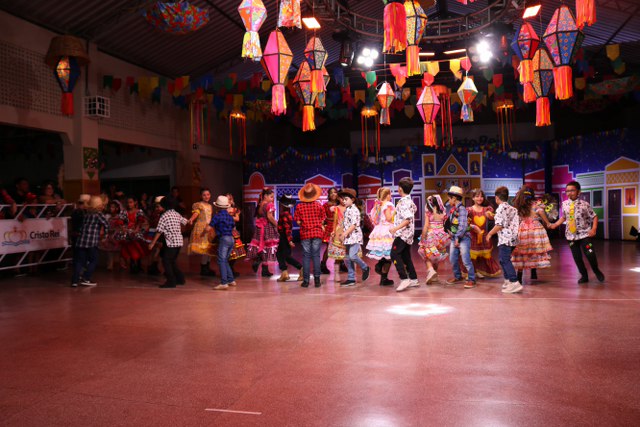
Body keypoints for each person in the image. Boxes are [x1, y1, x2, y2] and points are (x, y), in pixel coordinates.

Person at [550, 181, 605, 284]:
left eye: (572, 190)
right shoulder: (564, 204)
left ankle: (596, 270)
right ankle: (584, 276)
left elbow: (594, 216)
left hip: (585, 235)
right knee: (577, 257)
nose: (569, 193)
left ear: (578, 192)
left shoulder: (585, 204)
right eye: (567, 191)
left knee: (590, 253)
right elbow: (564, 217)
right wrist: (555, 224)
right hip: (571, 236)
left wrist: (593, 229)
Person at [511, 186, 553, 283]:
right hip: (535, 230)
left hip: (524, 230)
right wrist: (548, 223)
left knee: (522, 252)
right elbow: (541, 213)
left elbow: (516, 219)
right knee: (533, 250)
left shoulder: (519, 206)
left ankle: (519, 276)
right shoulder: (536, 204)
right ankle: (533, 270)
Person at [486, 186, 522, 294]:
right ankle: (507, 281)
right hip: (513, 238)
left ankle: (514, 282)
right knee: (503, 259)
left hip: (505, 239)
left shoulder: (500, 208)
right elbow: (507, 220)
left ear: (497, 198)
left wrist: (490, 233)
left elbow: (499, 225)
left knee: (505, 260)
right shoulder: (512, 208)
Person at [149, 197, 188, 288]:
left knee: (166, 261)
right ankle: (180, 278)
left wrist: (152, 243)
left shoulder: (164, 216)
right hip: (178, 241)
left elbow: (159, 231)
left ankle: (171, 281)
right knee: (172, 261)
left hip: (171, 242)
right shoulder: (176, 214)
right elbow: (186, 222)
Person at [71, 196, 109, 287]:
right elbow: (106, 225)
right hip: (91, 242)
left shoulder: (87, 214)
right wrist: (105, 236)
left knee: (79, 261)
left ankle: (74, 281)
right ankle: (86, 278)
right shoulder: (99, 215)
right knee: (94, 260)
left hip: (81, 241)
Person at [294, 183, 326, 288]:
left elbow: (298, 221)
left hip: (305, 233)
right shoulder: (319, 205)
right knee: (316, 256)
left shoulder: (299, 206)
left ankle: (306, 281)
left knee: (306, 256)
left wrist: (305, 224)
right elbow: (323, 219)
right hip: (317, 232)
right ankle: (317, 281)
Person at [444, 185, 476, 289]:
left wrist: (457, 237)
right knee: (453, 259)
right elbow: (452, 222)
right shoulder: (453, 209)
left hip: (463, 238)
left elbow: (462, 226)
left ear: (454, 198)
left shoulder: (462, 209)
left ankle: (471, 279)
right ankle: (458, 276)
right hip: (455, 237)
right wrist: (450, 232)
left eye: (449, 199)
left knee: (466, 260)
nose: (448, 201)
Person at [391, 177, 419, 292]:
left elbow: (407, 219)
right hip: (409, 233)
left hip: (403, 234)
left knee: (394, 254)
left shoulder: (403, 202)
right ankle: (413, 278)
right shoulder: (409, 201)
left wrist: (395, 228)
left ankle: (404, 278)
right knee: (405, 256)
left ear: (400, 189)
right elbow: (414, 210)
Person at [466, 189, 501, 279]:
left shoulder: (486, 209)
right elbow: (465, 223)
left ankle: (479, 270)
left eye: (481, 196)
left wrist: (490, 216)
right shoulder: (469, 210)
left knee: (484, 255)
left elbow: (492, 218)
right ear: (473, 198)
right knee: (473, 256)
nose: (480, 198)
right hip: (473, 236)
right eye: (477, 196)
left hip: (484, 236)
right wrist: (473, 227)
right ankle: (472, 272)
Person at [338, 188, 370, 287]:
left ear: (352, 199)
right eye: (343, 199)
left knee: (352, 256)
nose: (344, 201)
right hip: (348, 237)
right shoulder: (347, 209)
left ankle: (365, 267)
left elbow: (354, 225)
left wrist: (344, 234)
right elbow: (345, 223)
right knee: (348, 258)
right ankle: (351, 278)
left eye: (346, 199)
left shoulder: (354, 210)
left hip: (354, 236)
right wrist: (341, 233)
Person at [418, 194, 451, 285]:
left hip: (431, 235)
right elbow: (446, 224)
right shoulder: (443, 211)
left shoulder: (429, 211)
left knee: (426, 253)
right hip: (441, 236)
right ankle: (435, 277)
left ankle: (431, 270)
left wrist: (422, 237)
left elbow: (426, 226)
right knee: (437, 255)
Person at [366, 187, 395, 286]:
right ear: (387, 195)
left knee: (385, 253)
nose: (391, 196)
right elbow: (389, 218)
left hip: (379, 229)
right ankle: (382, 273)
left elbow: (375, 218)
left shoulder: (378, 205)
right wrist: (396, 213)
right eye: (390, 194)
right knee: (389, 254)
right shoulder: (388, 204)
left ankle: (381, 271)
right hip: (387, 230)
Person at [247, 188, 279, 277]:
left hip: (260, 228)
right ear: (265, 196)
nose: (272, 199)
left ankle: (262, 266)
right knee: (267, 248)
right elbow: (269, 217)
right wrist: (276, 224)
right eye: (271, 197)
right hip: (267, 227)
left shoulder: (260, 204)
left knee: (262, 247)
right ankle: (260, 264)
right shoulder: (269, 205)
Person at [208, 195, 237, 290]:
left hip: (224, 239)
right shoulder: (229, 216)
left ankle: (224, 282)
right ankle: (231, 280)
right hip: (231, 239)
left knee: (221, 260)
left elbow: (209, 227)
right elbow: (233, 227)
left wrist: (203, 231)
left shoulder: (217, 216)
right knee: (225, 260)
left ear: (217, 206)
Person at [187, 187, 216, 277]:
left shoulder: (210, 206)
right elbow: (196, 213)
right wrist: (191, 219)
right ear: (201, 196)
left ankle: (207, 267)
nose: (206, 196)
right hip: (202, 228)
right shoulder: (199, 205)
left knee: (209, 249)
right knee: (205, 249)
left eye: (208, 194)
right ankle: (204, 268)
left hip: (209, 228)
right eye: (204, 195)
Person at [275, 194, 302, 282]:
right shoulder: (288, 214)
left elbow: (287, 229)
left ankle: (301, 268)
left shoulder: (284, 214)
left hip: (284, 237)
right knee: (280, 254)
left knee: (286, 256)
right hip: (284, 236)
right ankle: (284, 272)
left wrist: (289, 240)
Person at [119, 196, 149, 274]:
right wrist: (124, 229)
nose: (129, 204)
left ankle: (138, 265)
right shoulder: (124, 212)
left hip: (136, 232)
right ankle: (132, 265)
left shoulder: (139, 211)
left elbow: (140, 222)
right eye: (128, 202)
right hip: (127, 233)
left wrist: (136, 230)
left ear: (135, 202)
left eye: (131, 202)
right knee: (130, 249)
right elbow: (121, 222)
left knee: (137, 248)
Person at [99, 200, 126, 271]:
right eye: (110, 207)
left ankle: (120, 263)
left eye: (113, 207)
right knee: (110, 250)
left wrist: (119, 230)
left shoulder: (119, 217)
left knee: (119, 250)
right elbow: (104, 225)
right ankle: (110, 264)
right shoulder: (108, 216)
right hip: (110, 234)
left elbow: (122, 226)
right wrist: (103, 230)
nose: (111, 209)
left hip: (116, 235)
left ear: (117, 208)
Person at [225, 193, 246, 277]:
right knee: (227, 253)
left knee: (235, 253)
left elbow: (237, 218)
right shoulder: (222, 209)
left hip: (233, 232)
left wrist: (227, 216)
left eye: (230, 199)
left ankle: (231, 269)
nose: (229, 201)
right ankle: (227, 271)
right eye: (227, 199)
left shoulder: (234, 209)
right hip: (225, 232)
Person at [321, 187, 340, 274]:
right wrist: (322, 226)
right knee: (329, 247)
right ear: (328, 195)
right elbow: (322, 217)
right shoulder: (325, 205)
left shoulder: (340, 203)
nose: (333, 194)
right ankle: (323, 265)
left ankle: (340, 264)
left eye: (335, 192)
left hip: (339, 226)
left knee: (340, 246)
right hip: (329, 227)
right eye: (331, 193)